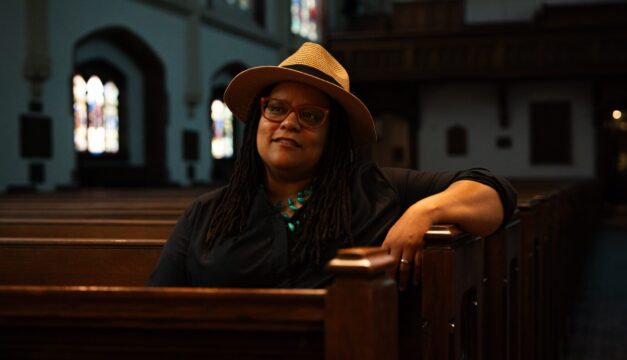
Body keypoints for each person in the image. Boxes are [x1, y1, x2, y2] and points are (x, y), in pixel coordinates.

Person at [148, 42, 517, 290]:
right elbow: (155, 309)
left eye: (310, 115)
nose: (288, 123)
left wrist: (425, 210)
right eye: (276, 108)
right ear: (258, 120)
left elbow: (494, 192)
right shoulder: (206, 213)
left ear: (333, 134)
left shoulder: (375, 192)